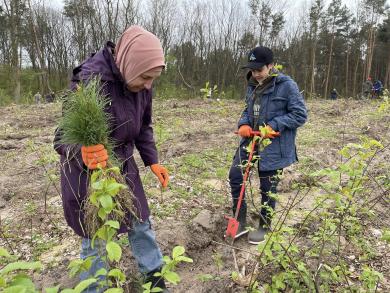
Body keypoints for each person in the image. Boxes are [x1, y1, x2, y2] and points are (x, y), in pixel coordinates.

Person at [53, 26, 170, 292]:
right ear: (130, 63)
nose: (148, 85)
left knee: (140, 222)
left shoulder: (141, 85)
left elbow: (144, 126)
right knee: (95, 235)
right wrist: (82, 151)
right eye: (145, 77)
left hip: (123, 165)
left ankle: (155, 280)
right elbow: (62, 137)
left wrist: (152, 160)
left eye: (154, 79)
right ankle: (96, 286)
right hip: (88, 172)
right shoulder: (88, 82)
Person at [228, 46, 307, 245]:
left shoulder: (287, 86)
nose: (256, 74)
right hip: (251, 141)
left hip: (274, 145)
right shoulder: (252, 84)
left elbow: (300, 115)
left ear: (271, 66)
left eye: (259, 70)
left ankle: (263, 227)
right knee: (236, 175)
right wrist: (244, 123)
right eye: (252, 70)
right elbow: (248, 110)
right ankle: (238, 221)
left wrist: (274, 125)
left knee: (267, 187)